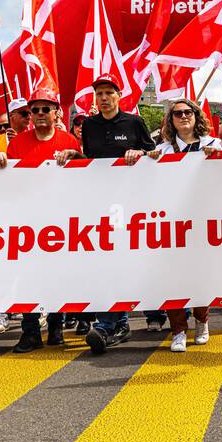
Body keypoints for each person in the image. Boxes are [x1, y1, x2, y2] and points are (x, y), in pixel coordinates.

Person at [57, 73, 155, 354]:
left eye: (108, 92)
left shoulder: (134, 122)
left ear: (118, 96)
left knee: (120, 263)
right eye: (99, 93)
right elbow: (91, 160)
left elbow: (156, 156)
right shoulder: (89, 125)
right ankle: (118, 324)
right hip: (99, 206)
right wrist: (76, 157)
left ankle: (107, 325)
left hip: (130, 207)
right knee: (106, 264)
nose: (103, 98)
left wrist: (140, 153)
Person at [0, 87, 81, 353]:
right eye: (35, 110)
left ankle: (56, 327)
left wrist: (78, 157)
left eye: (45, 109)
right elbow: (8, 180)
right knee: (26, 277)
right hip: (28, 222)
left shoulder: (69, 141)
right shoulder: (17, 143)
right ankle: (30, 331)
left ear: (56, 112)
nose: (40, 114)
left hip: (60, 221)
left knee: (57, 276)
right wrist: (0, 160)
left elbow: (83, 179)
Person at [146, 98, 220, 352]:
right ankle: (178, 329)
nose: (184, 116)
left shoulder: (213, 144)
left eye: (188, 112)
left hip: (202, 222)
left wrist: (219, 159)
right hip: (172, 224)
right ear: (171, 120)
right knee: (172, 278)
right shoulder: (163, 150)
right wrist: (148, 159)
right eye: (177, 113)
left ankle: (202, 321)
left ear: (196, 116)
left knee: (199, 276)